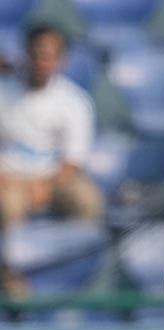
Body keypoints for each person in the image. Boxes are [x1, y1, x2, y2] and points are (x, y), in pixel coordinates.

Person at [0, 23, 104, 229]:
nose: (41, 62)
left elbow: (73, 160)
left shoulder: (75, 101)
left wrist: (45, 187)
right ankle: (10, 261)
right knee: (8, 207)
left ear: (62, 60)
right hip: (8, 178)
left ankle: (80, 259)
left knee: (88, 202)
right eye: (36, 54)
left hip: (55, 178)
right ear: (25, 54)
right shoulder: (3, 92)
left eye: (48, 56)